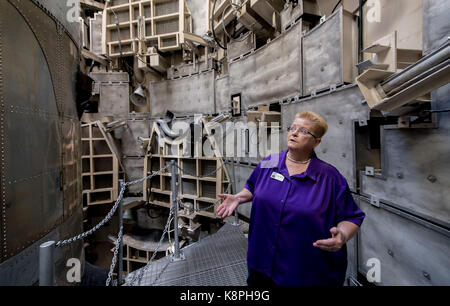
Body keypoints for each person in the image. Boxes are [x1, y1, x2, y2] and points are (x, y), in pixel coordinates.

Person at [217, 111, 366, 286]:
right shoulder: (269, 161)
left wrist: (342, 235)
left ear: (316, 142)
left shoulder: (330, 177)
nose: (294, 133)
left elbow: (352, 217)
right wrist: (238, 197)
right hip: (261, 263)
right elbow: (253, 186)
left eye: (303, 131)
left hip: (304, 272)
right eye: (292, 128)